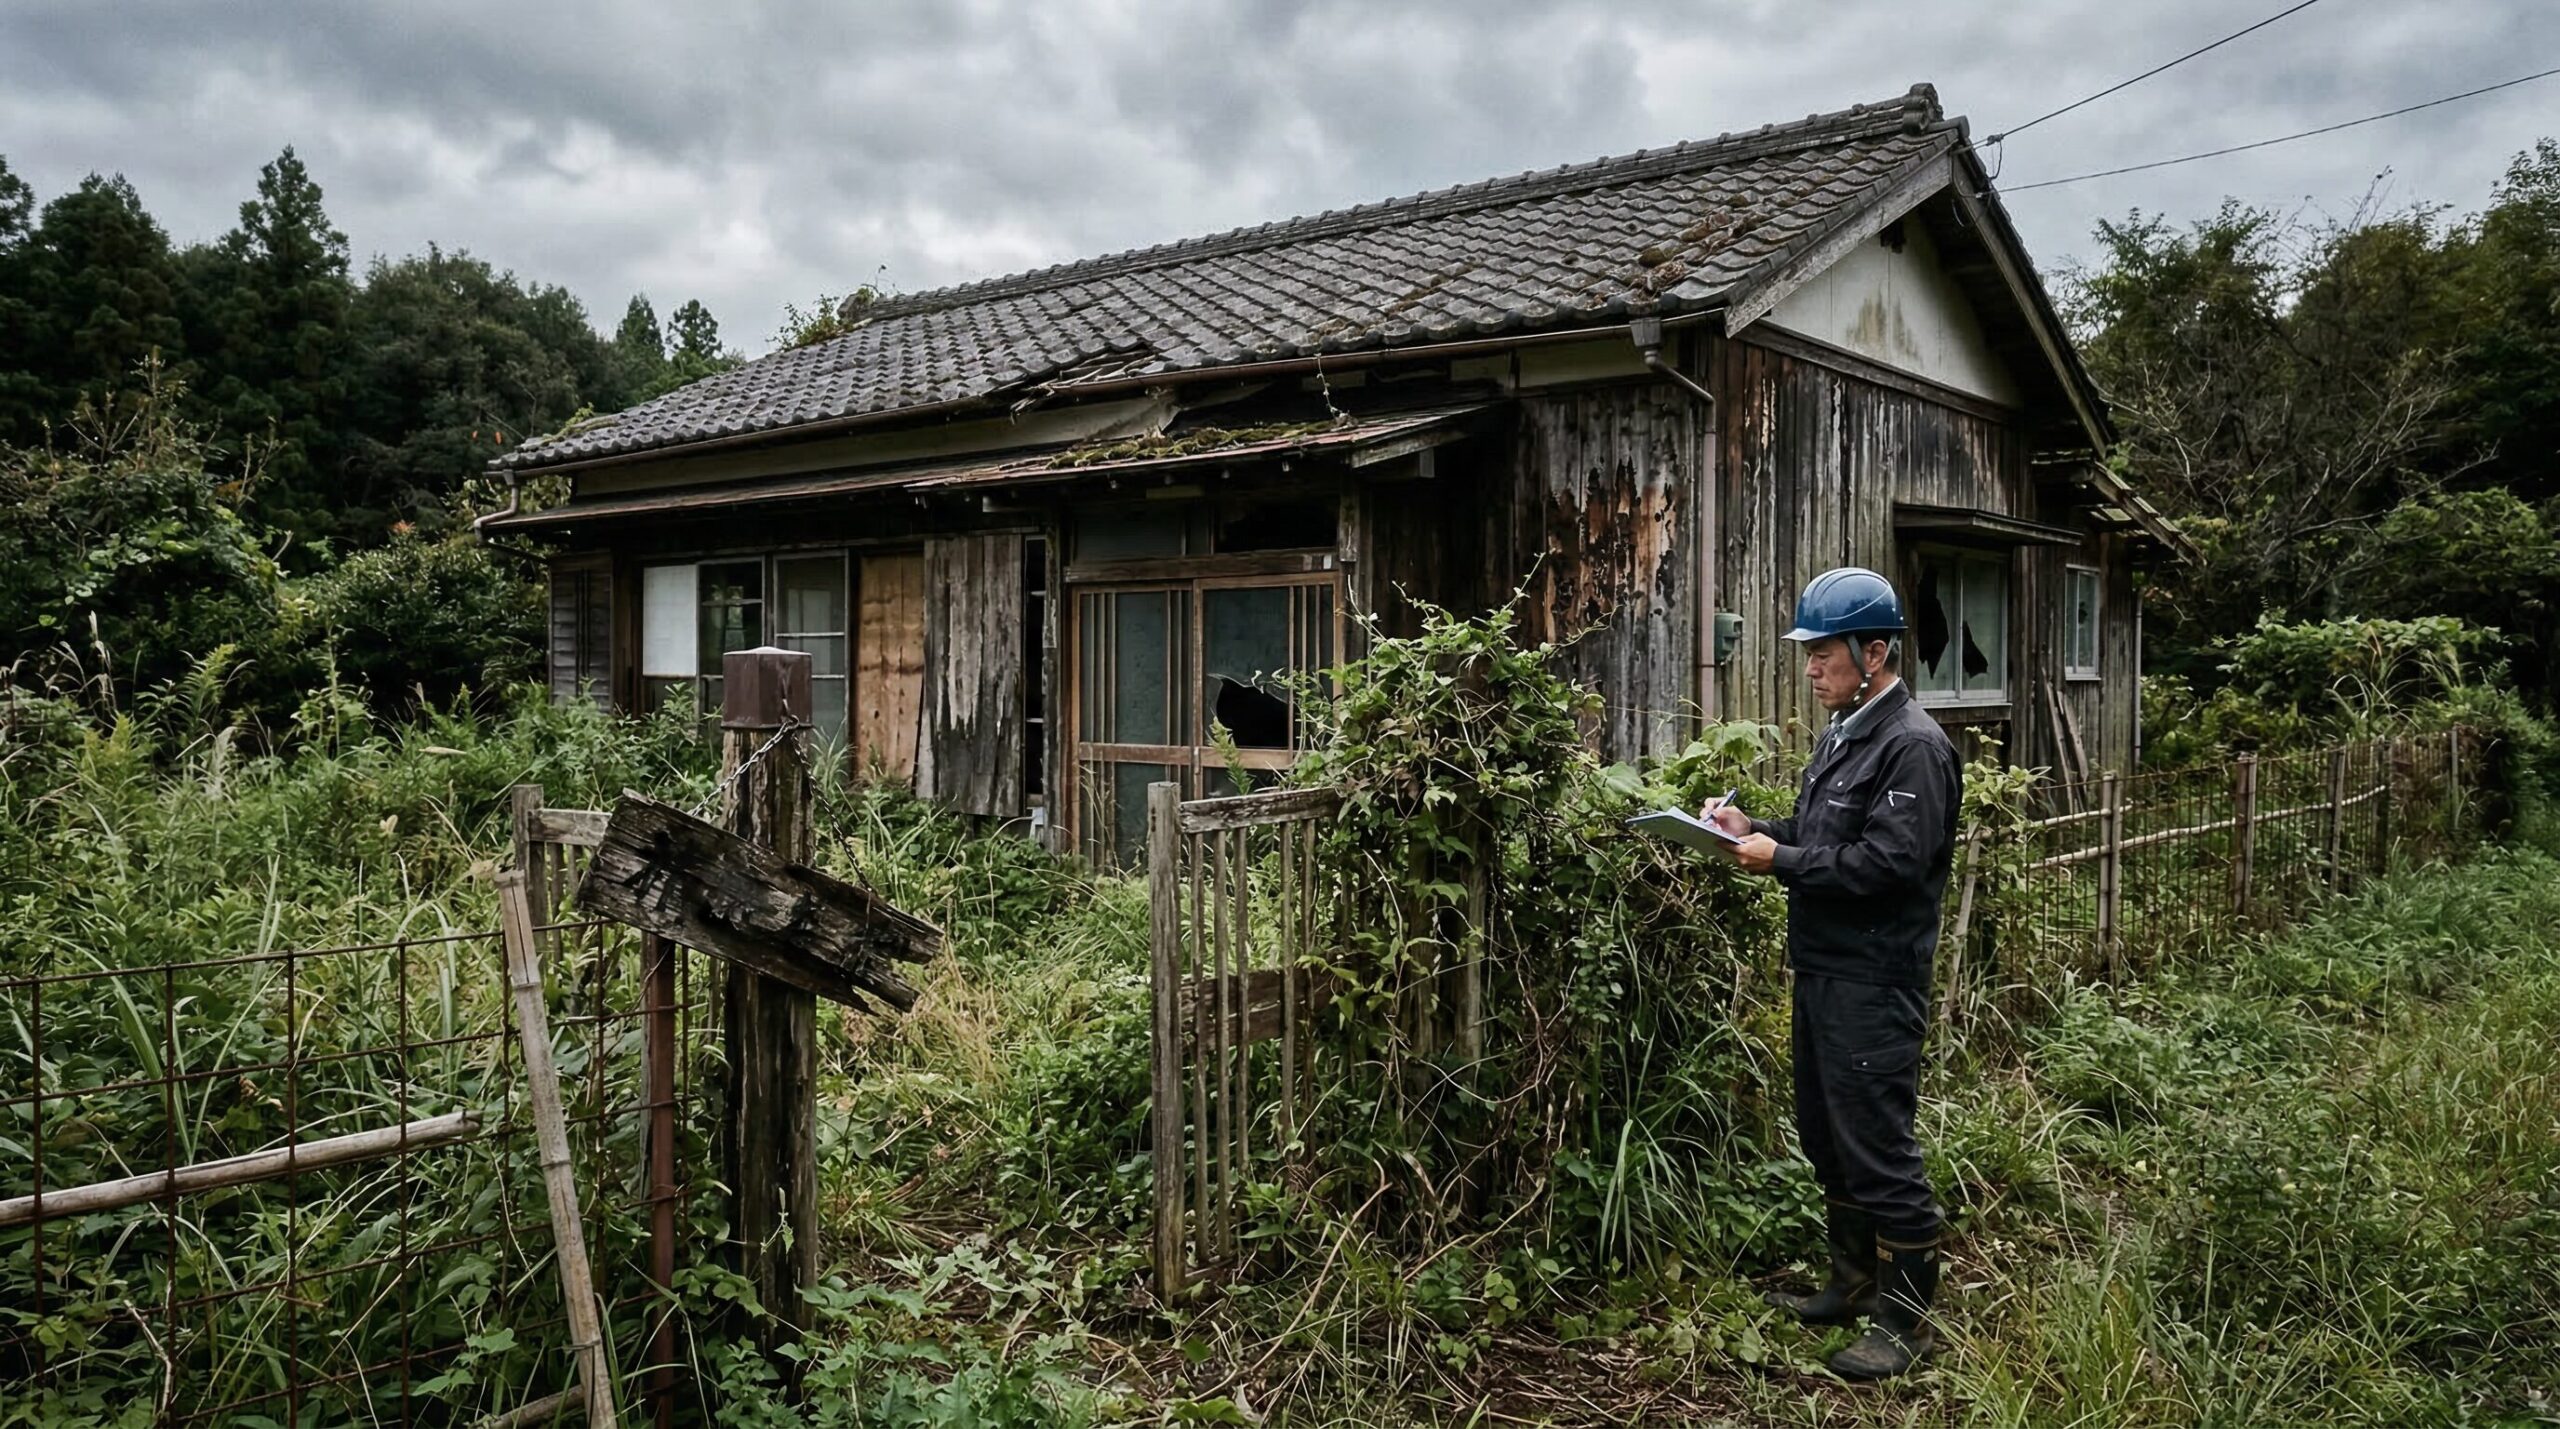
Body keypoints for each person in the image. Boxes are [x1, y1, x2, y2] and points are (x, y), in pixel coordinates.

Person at [1702, 566, 1962, 1380]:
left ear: (1874, 652)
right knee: (1827, 1134)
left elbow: (1887, 864)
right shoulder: (1846, 730)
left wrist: (1779, 859)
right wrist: (1752, 826)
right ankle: (1851, 1283)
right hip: (1823, 968)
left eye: (1823, 653)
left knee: (1878, 1143)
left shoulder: (1913, 745)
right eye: (1808, 653)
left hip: (1874, 979)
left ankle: (1907, 1323)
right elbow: (1823, 836)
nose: (1811, 668)